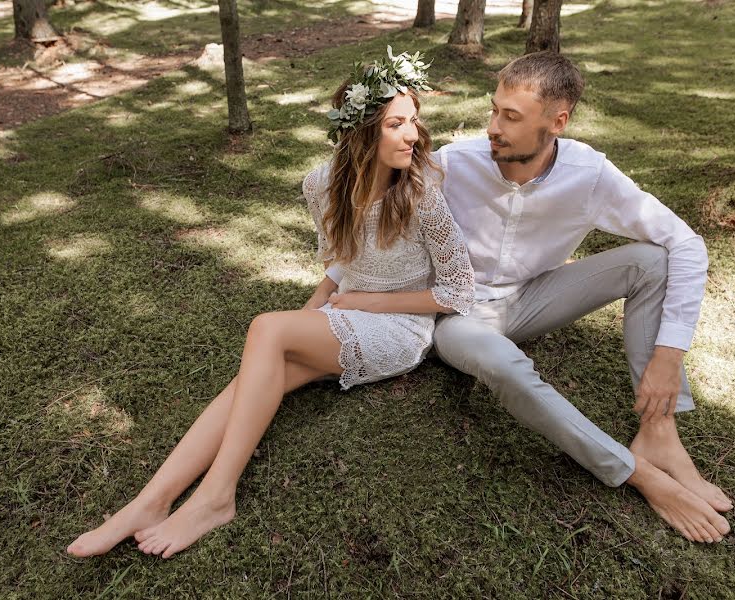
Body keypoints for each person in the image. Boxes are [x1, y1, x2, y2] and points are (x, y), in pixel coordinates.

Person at [66, 47, 475, 559]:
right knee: (255, 375)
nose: (412, 136)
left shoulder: (421, 195)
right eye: (395, 124)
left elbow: (459, 291)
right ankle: (149, 502)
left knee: (267, 330)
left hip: (400, 330)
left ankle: (216, 497)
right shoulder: (320, 185)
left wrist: (367, 304)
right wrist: (310, 317)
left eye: (413, 121)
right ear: (359, 131)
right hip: (343, 315)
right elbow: (341, 265)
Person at [328, 51, 733, 544]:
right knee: (506, 366)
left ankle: (660, 433)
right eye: (495, 109)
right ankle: (634, 472)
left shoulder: (591, 174)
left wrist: (669, 355)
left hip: (532, 298)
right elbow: (374, 221)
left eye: (511, 117)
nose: (493, 126)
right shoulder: (453, 164)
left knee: (652, 261)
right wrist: (335, 291)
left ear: (557, 122)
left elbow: (686, 243)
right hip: (457, 315)